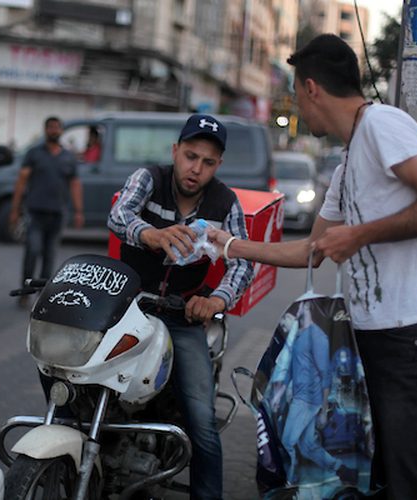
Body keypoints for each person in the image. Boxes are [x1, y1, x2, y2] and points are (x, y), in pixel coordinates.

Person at [209, 34, 417, 499]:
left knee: (411, 481)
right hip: (373, 336)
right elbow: (313, 249)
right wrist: (231, 245)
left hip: (414, 336)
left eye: (296, 94)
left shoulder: (382, 125)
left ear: (312, 88)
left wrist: (360, 233)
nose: (300, 107)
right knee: (378, 477)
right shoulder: (350, 158)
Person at [108, 113, 254, 499]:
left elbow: (242, 260)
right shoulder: (148, 178)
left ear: (218, 166)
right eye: (190, 156)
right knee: (80, 385)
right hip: (127, 310)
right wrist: (150, 234)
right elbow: (119, 214)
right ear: (175, 151)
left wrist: (216, 299)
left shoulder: (226, 202)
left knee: (202, 422)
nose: (196, 169)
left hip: (181, 318)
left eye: (207, 162)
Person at [280, 301, 356, 485]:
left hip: (307, 400)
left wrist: (323, 410)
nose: (291, 314)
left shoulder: (317, 338)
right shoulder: (300, 335)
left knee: (287, 442)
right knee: (308, 446)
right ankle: (343, 470)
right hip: (300, 397)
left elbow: (326, 374)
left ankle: (289, 481)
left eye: (298, 309)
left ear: (307, 310)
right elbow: (295, 367)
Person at [10, 116, 84, 303]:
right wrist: (15, 208)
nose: (54, 131)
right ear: (45, 130)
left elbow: (75, 184)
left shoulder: (68, 157)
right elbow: (21, 180)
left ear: (61, 131)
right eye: (50, 127)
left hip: (57, 214)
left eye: (57, 128)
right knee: (32, 251)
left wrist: (78, 211)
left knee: (49, 258)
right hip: (35, 213)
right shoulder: (34, 154)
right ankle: (26, 291)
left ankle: (42, 297)